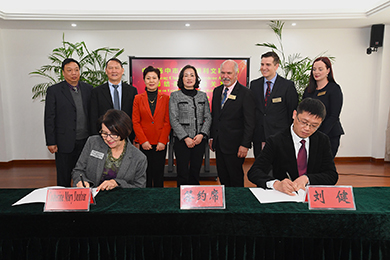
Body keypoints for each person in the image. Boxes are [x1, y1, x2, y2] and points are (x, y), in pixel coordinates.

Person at [247, 98, 338, 195]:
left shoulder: (322, 140)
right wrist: (276, 184)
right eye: (303, 122)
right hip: (284, 195)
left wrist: (307, 178)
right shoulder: (276, 140)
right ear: (294, 115)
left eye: (314, 125)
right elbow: (254, 172)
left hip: (310, 196)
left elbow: (331, 175)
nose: (307, 128)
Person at [44, 58, 93, 187]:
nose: (74, 73)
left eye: (76, 70)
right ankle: (62, 203)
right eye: (69, 70)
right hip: (64, 141)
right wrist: (51, 141)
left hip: (85, 141)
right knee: (64, 175)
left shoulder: (88, 89)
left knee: (84, 175)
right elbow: (49, 117)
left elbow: (92, 114)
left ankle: (84, 200)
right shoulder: (54, 91)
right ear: (63, 73)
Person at [72, 109, 147, 190]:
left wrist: (117, 183)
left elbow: (139, 188)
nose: (108, 138)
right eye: (104, 133)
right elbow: (78, 171)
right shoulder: (93, 143)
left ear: (125, 132)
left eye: (114, 134)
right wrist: (80, 181)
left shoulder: (138, 158)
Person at [209, 60, 255, 187]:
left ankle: (237, 204)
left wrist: (245, 144)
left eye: (229, 73)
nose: (225, 76)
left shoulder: (246, 93)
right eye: (223, 73)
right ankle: (225, 203)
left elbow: (250, 122)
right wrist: (212, 137)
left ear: (236, 73)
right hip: (219, 144)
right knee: (223, 177)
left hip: (236, 146)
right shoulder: (217, 91)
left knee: (235, 178)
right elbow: (215, 117)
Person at [250, 51, 298, 158]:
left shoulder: (287, 86)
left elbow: (292, 113)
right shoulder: (254, 85)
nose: (264, 67)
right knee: (260, 168)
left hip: (279, 136)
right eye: (262, 64)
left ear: (276, 66)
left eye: (268, 65)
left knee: (278, 170)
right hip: (259, 136)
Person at [169, 65, 212, 186]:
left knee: (195, 171)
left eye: (192, 75)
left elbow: (208, 117)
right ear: (181, 79)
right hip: (182, 141)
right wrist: (185, 138)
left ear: (196, 78)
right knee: (182, 172)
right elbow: (173, 119)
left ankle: (195, 200)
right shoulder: (175, 96)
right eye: (186, 75)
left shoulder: (202, 95)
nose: (189, 78)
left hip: (199, 140)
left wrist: (201, 134)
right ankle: (182, 200)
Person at [132, 66, 171, 187]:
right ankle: (146, 199)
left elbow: (167, 122)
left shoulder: (165, 98)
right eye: (148, 78)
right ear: (144, 80)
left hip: (160, 142)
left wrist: (162, 141)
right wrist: (143, 141)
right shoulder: (138, 98)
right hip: (145, 142)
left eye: (154, 78)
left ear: (159, 80)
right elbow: (135, 122)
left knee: (159, 173)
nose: (151, 81)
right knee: (145, 173)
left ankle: (159, 199)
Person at [303, 57, 344, 157]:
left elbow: (334, 115)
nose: (316, 72)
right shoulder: (308, 90)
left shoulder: (334, 89)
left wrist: (319, 133)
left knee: (325, 166)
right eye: (314, 69)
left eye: (320, 69)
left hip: (329, 134)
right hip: (310, 133)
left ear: (328, 71)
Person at [89, 58, 138, 140]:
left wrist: (135, 137)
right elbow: (93, 117)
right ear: (106, 71)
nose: (114, 71)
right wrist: (97, 137)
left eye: (116, 68)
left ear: (122, 71)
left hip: (126, 135)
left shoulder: (132, 91)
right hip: (105, 136)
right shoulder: (97, 91)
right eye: (110, 68)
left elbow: (135, 115)